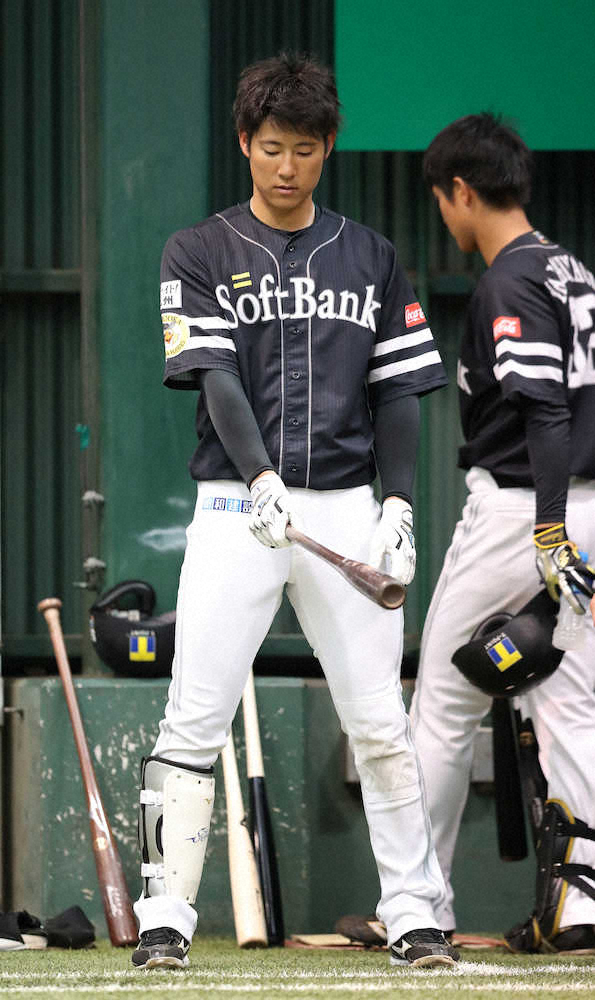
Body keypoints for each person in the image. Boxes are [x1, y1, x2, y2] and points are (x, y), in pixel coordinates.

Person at [130, 53, 459, 971]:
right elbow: (214, 373)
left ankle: (413, 914)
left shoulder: (370, 255)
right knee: (194, 718)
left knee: (379, 721)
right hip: (236, 504)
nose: (287, 166)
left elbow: (399, 389)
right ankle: (164, 918)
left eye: (305, 149)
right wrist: (260, 476)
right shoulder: (197, 249)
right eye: (272, 147)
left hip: (347, 510)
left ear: (328, 148)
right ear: (244, 142)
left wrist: (399, 503)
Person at [410, 112, 595, 953]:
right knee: (571, 703)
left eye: (440, 198)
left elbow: (543, 410)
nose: (443, 214)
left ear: (460, 190)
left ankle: (418, 905)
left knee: (444, 703)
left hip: (526, 516)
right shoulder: (572, 269)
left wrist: (548, 531)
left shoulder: (509, 280)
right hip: (582, 516)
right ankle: (580, 906)